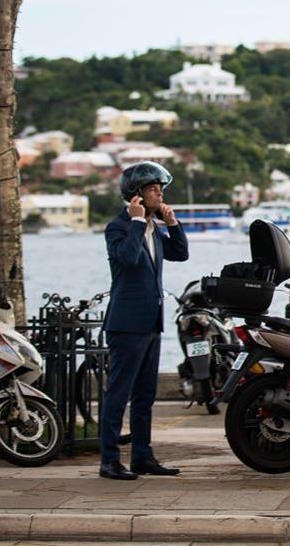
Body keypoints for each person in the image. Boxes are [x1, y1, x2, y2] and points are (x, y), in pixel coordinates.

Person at [99, 162, 190, 481]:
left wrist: (173, 223)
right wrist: (137, 222)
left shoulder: (155, 229)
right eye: (154, 189)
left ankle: (142, 455)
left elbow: (180, 255)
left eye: (160, 188)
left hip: (152, 322)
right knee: (118, 395)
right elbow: (128, 258)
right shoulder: (119, 227)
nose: (160, 193)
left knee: (144, 396)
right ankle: (109, 460)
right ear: (136, 194)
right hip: (126, 324)